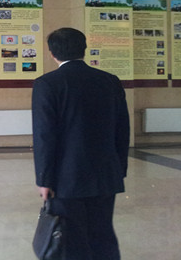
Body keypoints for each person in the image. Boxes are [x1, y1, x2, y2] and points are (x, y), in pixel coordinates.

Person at [32, 27, 130, 260]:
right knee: (102, 233)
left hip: (66, 177)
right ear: (84, 49)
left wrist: (44, 179)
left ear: (52, 53)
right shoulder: (109, 81)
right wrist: (119, 169)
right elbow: (122, 129)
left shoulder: (47, 83)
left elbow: (45, 136)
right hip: (105, 174)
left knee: (71, 238)